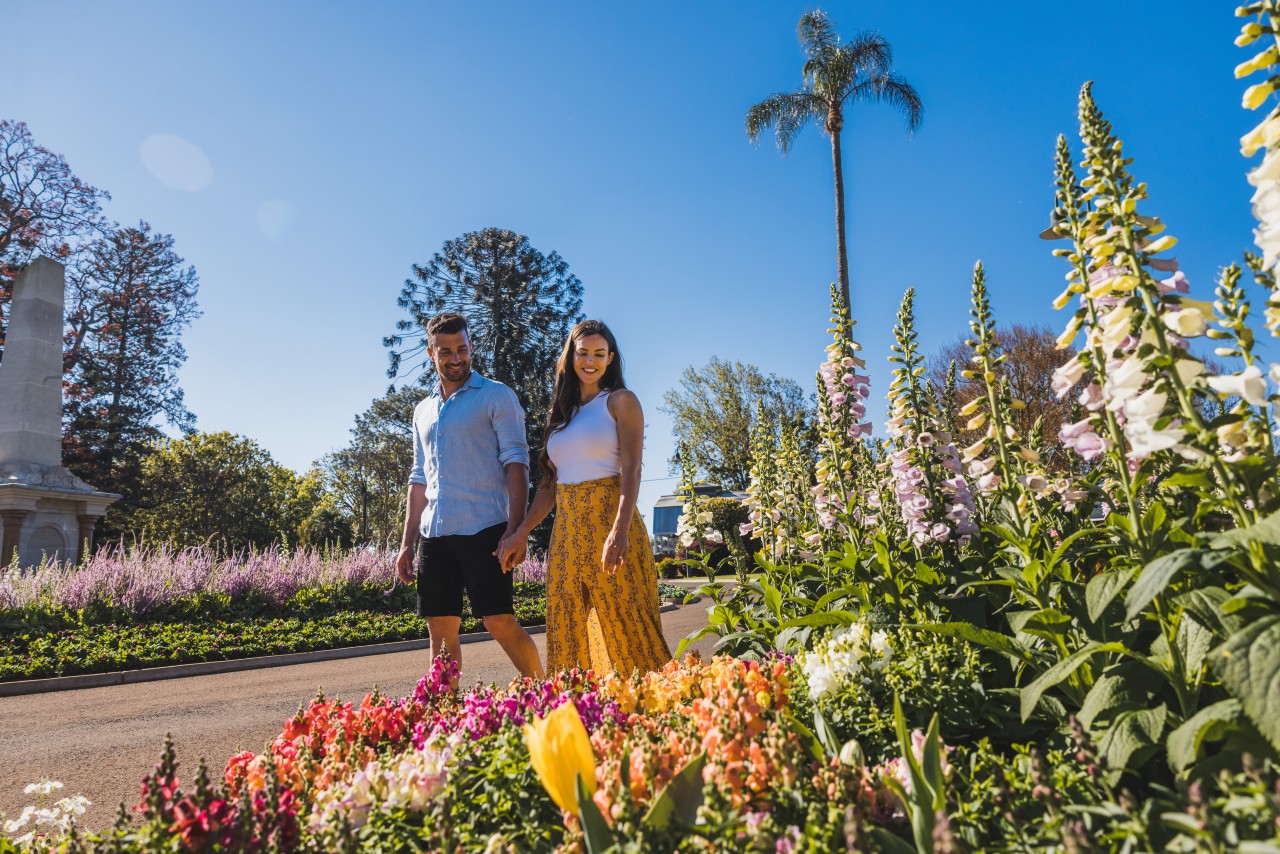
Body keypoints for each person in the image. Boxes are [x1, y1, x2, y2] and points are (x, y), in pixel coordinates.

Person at [497, 320, 671, 676]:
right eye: (583, 353)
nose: (590, 361)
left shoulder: (621, 402)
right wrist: (522, 531)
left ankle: (655, 706)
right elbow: (550, 486)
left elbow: (633, 469)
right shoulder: (561, 414)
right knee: (567, 620)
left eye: (599, 354)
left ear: (610, 359)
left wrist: (619, 531)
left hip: (611, 522)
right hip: (567, 534)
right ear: (571, 357)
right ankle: (583, 710)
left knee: (627, 620)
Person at [394, 312, 544, 683]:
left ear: (471, 347)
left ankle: (546, 697)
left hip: (485, 531)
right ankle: (446, 716)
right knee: (440, 631)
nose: (456, 357)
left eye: (462, 348)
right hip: (435, 535)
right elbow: (418, 478)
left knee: (499, 621)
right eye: (446, 351)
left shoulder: (496, 396)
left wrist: (515, 530)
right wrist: (406, 544)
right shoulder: (422, 409)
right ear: (431, 353)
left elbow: (517, 463)